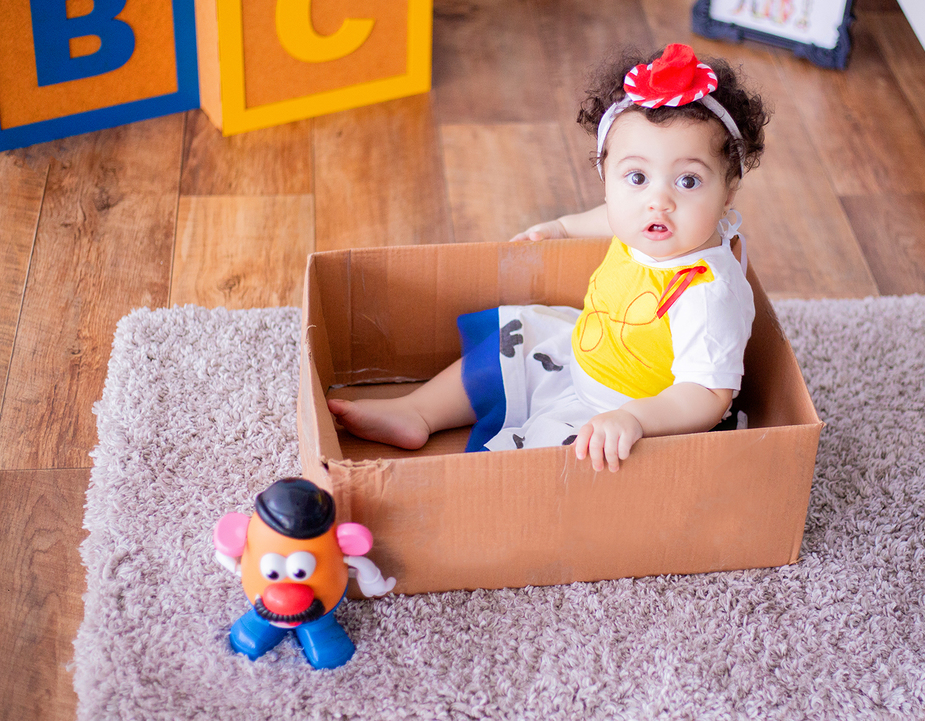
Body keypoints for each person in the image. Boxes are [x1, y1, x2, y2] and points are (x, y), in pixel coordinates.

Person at [327, 43, 769, 473]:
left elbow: (707, 396)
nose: (659, 201)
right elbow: (607, 218)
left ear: (729, 190)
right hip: (583, 358)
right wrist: (562, 227)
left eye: (688, 182)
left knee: (554, 463)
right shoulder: (647, 226)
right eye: (636, 177)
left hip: (631, 419)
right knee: (517, 338)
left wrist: (633, 420)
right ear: (606, 177)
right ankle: (417, 412)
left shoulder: (707, 292)